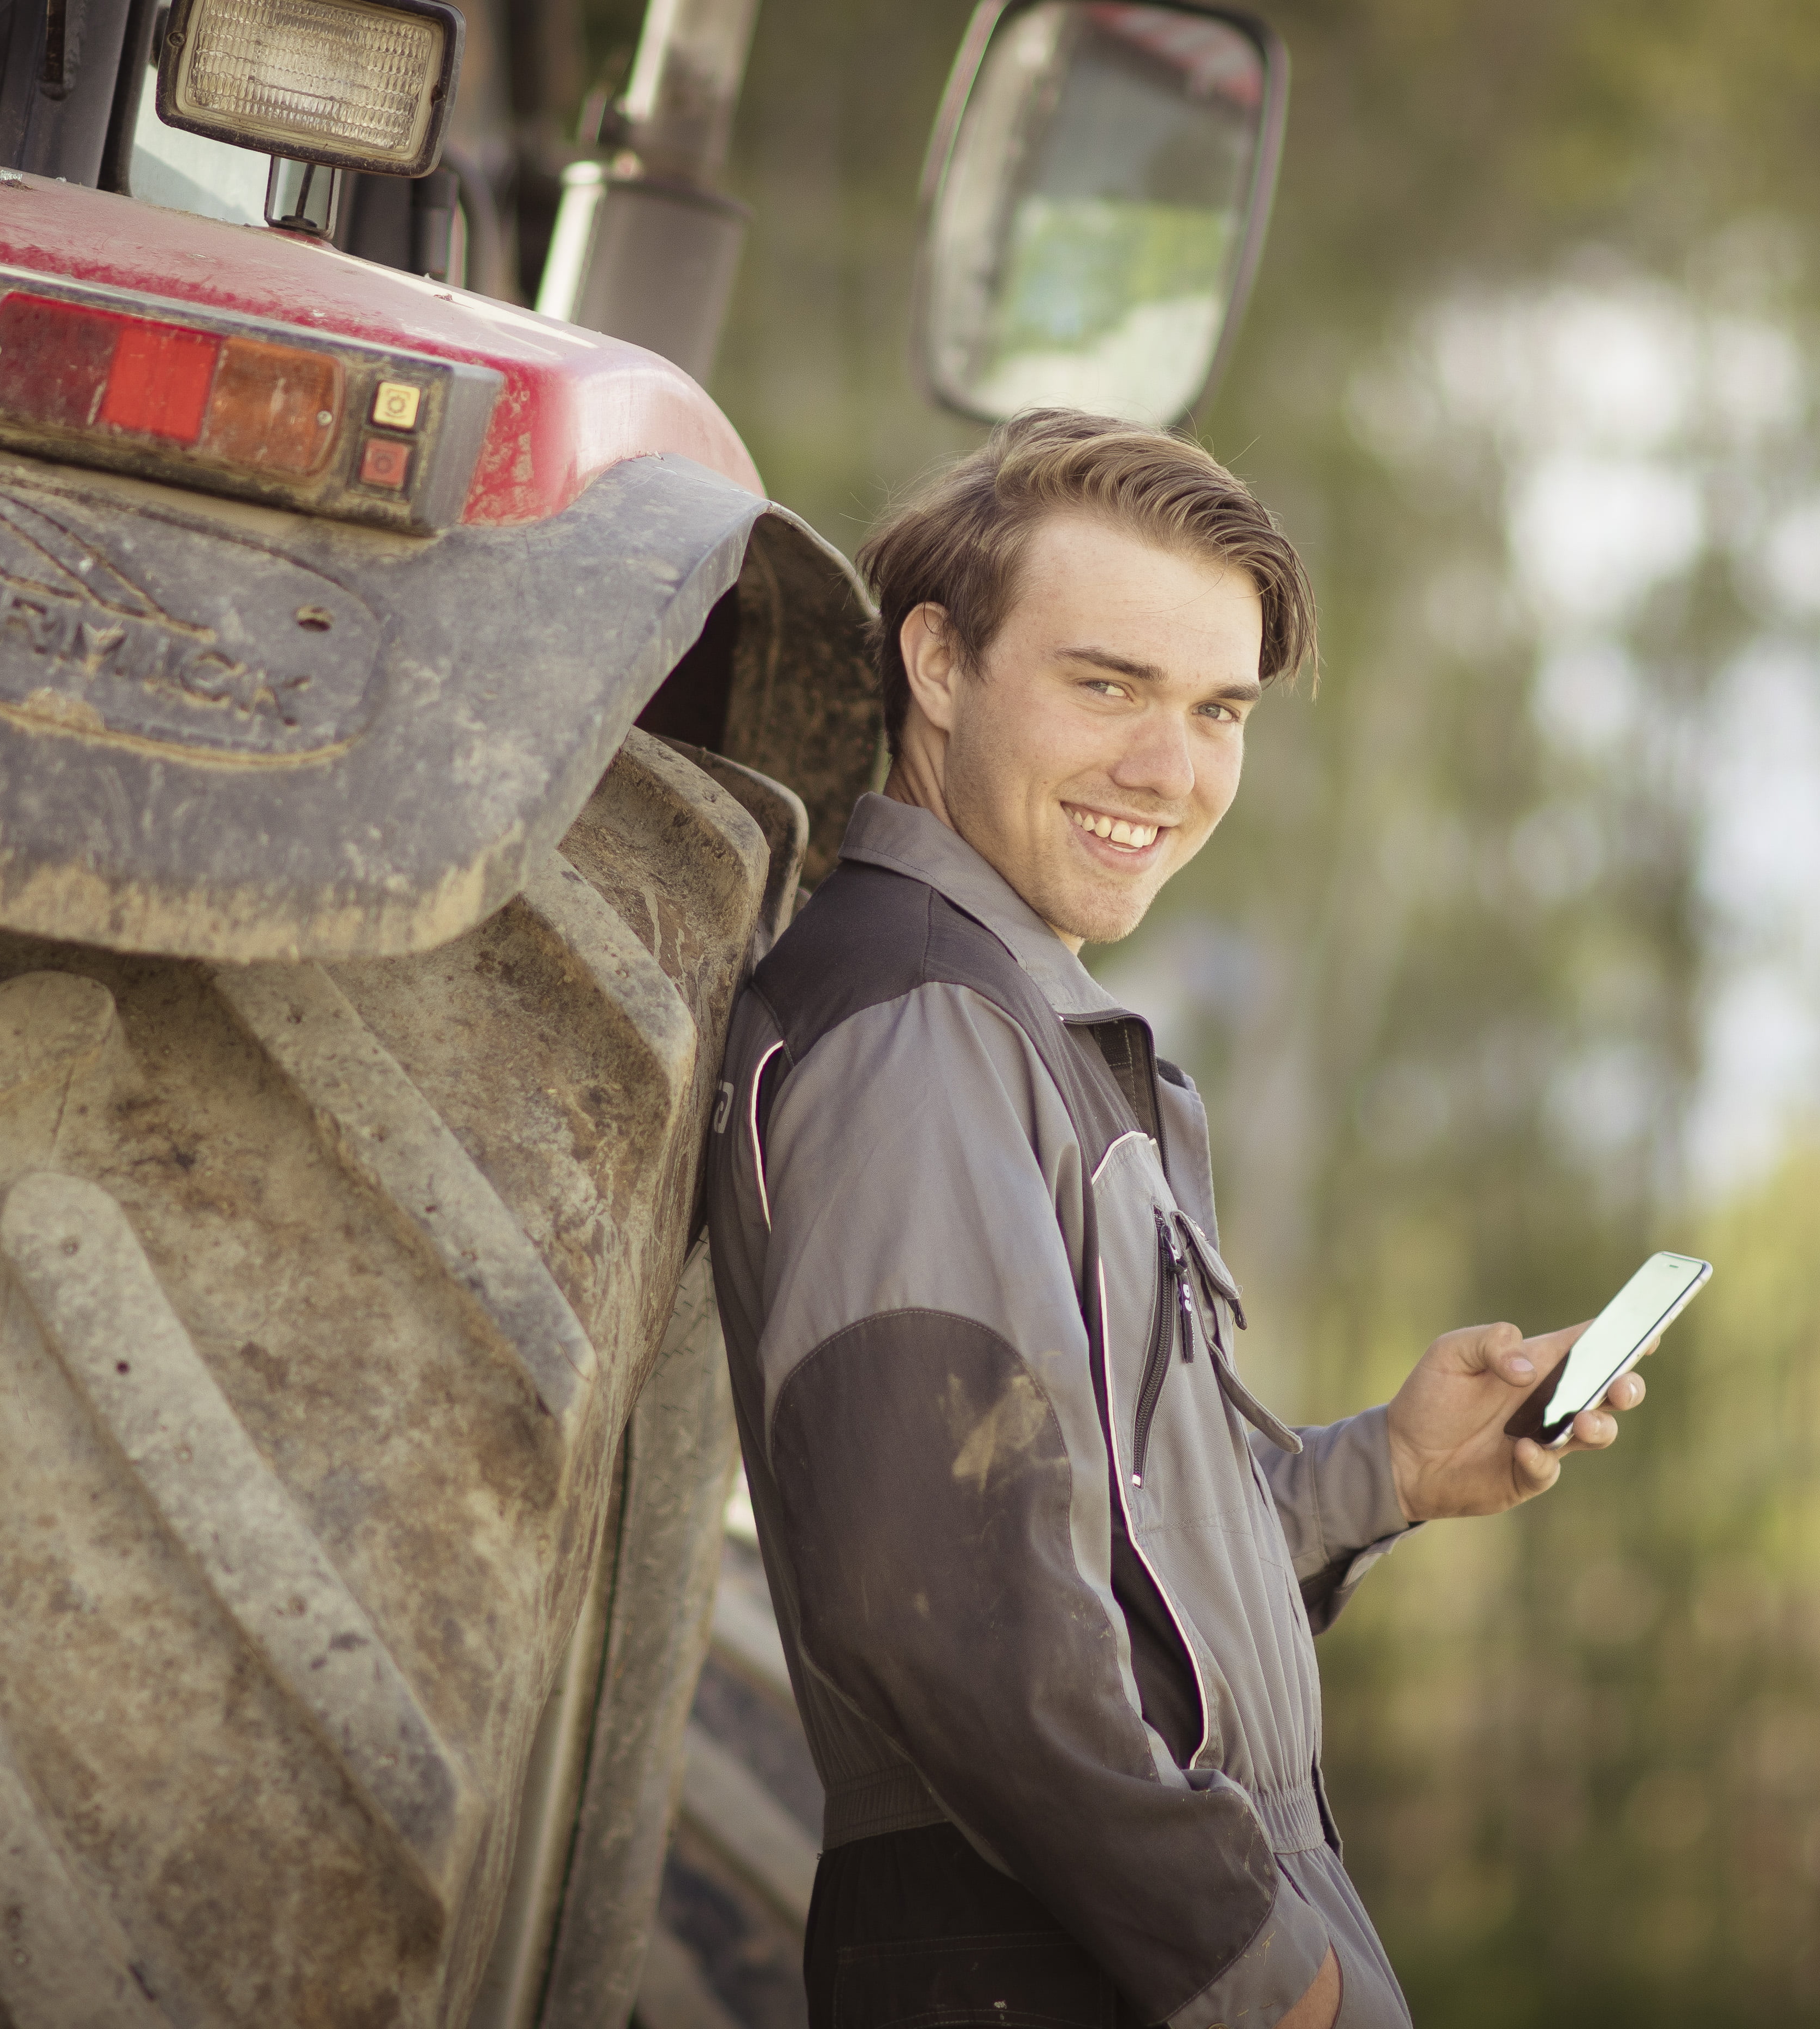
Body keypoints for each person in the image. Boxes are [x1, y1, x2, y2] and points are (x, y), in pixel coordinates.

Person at [702, 409, 1652, 2029]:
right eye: (1108, 686)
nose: (1173, 769)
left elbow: (1106, 1571)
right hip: (1067, 1963)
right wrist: (1258, 1972)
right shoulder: (922, 1034)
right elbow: (954, 1608)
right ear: (934, 665)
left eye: (1220, 709)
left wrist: (1389, 1472)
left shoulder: (1016, 1027)